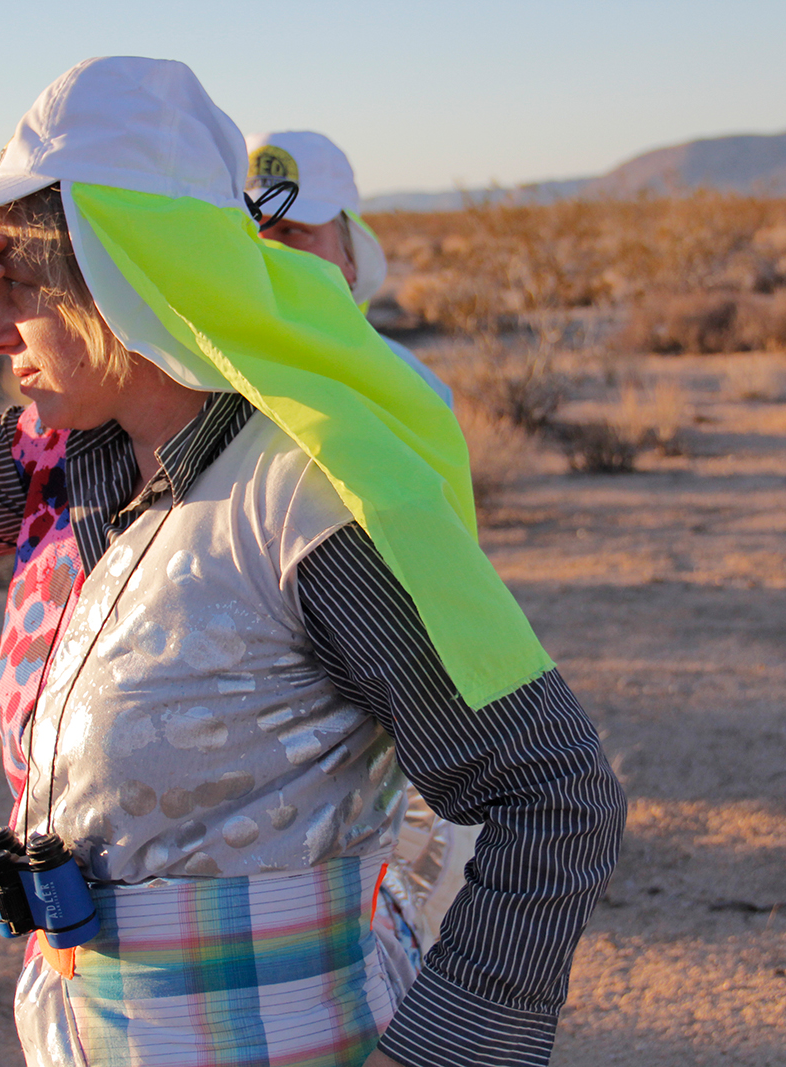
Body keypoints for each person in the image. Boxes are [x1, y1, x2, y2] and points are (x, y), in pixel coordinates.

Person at [0, 56, 624, 1067]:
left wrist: (444, 1052)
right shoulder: (60, 463)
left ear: (127, 274)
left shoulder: (308, 498)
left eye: (22, 288)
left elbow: (551, 791)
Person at [246, 129, 472, 962]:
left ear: (346, 255)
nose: (271, 253)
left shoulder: (401, 389)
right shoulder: (192, 383)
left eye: (296, 233)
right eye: (253, 235)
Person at [246, 130, 453, 406]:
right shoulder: (183, 376)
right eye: (245, 231)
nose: (265, 251)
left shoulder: (412, 390)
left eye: (291, 230)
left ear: (350, 258)